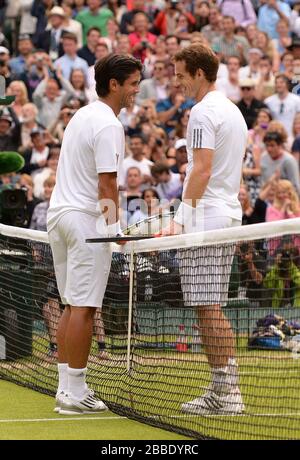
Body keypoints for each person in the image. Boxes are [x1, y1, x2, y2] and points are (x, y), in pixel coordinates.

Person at [47, 54, 142, 415]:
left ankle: (65, 388)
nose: (136, 90)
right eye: (132, 83)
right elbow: (107, 183)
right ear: (114, 84)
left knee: (72, 305)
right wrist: (115, 229)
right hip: (86, 223)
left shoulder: (82, 115)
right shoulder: (107, 125)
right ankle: (76, 391)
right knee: (84, 308)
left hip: (61, 218)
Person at [161, 44, 248, 415]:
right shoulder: (232, 110)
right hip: (224, 212)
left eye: (181, 74)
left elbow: (202, 170)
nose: (177, 82)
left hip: (207, 217)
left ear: (199, 74)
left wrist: (180, 217)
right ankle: (224, 390)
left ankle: (226, 394)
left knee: (207, 307)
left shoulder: (201, 112)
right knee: (207, 306)